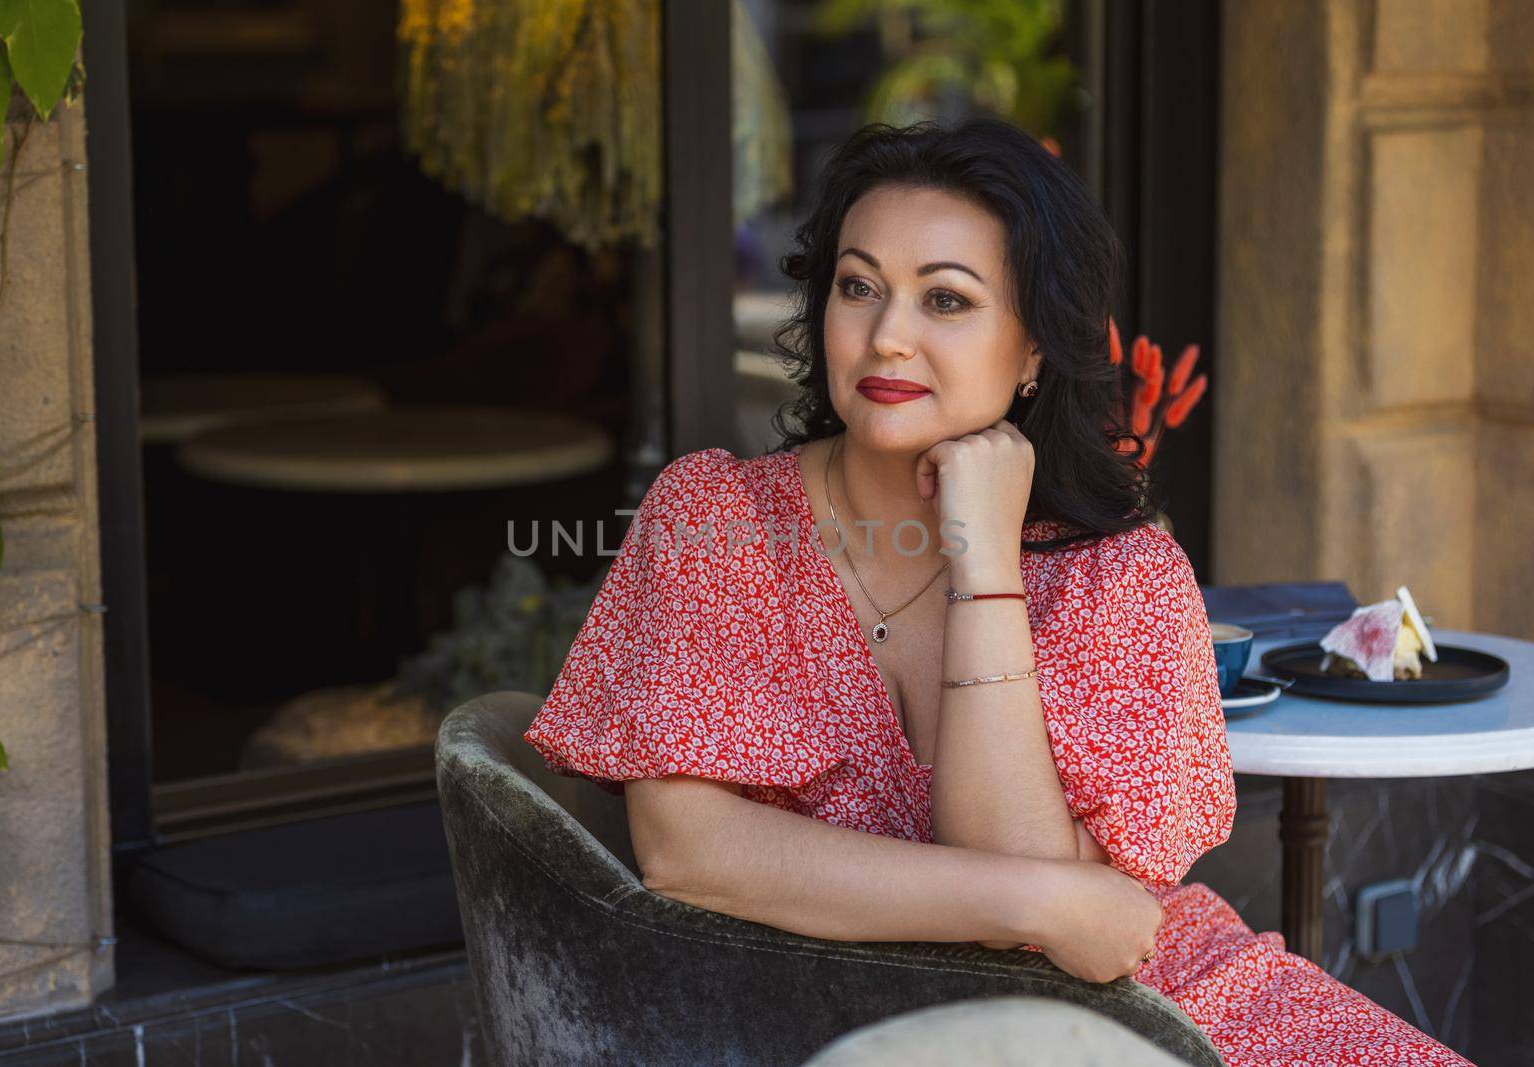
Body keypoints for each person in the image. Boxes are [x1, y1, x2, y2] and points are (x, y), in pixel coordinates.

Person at [522, 119, 1472, 1067]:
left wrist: (984, 565)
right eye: (859, 287)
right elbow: (689, 852)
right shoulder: (718, 513)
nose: (888, 335)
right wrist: (1039, 901)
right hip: (835, 1029)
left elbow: (1052, 962)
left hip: (1154, 1016)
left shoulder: (1121, 572)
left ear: (1032, 351)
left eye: (946, 298)